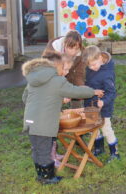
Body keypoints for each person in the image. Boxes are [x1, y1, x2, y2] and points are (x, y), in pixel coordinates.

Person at [22, 52, 104, 185]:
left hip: (30, 122)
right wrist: (92, 91)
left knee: (37, 148)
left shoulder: (33, 79)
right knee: (44, 150)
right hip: (44, 124)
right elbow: (75, 91)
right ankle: (48, 177)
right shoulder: (57, 80)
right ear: (56, 66)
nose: (64, 71)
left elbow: (25, 98)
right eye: (63, 68)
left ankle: (40, 175)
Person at [83, 45, 119, 163]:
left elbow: (112, 93)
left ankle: (115, 153)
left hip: (103, 108)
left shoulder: (107, 74)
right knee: (93, 128)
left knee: (106, 129)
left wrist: (103, 102)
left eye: (93, 65)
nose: (91, 68)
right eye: (89, 66)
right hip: (90, 104)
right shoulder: (91, 69)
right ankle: (99, 148)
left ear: (100, 57)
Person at [43, 30, 86, 108]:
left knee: (77, 94)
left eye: (76, 49)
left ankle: (77, 113)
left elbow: (79, 74)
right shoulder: (52, 50)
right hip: (51, 77)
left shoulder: (81, 54)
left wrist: (80, 89)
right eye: (70, 48)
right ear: (64, 44)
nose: (73, 52)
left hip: (70, 73)